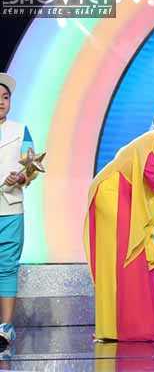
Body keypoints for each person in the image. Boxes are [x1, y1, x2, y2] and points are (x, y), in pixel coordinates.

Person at [83, 96, 154, 341]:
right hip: (114, 194)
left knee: (142, 255)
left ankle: (140, 324)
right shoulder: (151, 141)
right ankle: (119, 327)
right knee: (128, 255)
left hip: (135, 196)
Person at [0, 73, 38, 345]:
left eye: (5, 97)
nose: (1, 102)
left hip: (11, 208)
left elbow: (31, 167)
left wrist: (21, 177)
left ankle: (5, 327)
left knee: (7, 267)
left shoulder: (20, 130)